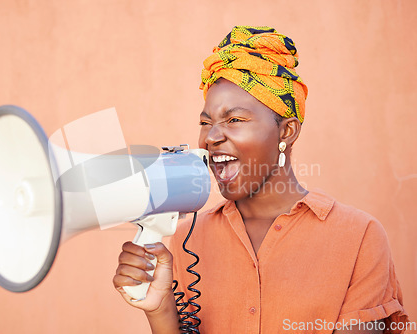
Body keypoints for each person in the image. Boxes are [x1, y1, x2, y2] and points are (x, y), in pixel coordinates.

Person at [113, 26, 409, 334]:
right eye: (205, 122)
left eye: (235, 120)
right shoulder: (187, 238)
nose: (212, 137)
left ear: (286, 131)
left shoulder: (359, 236)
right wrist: (161, 311)